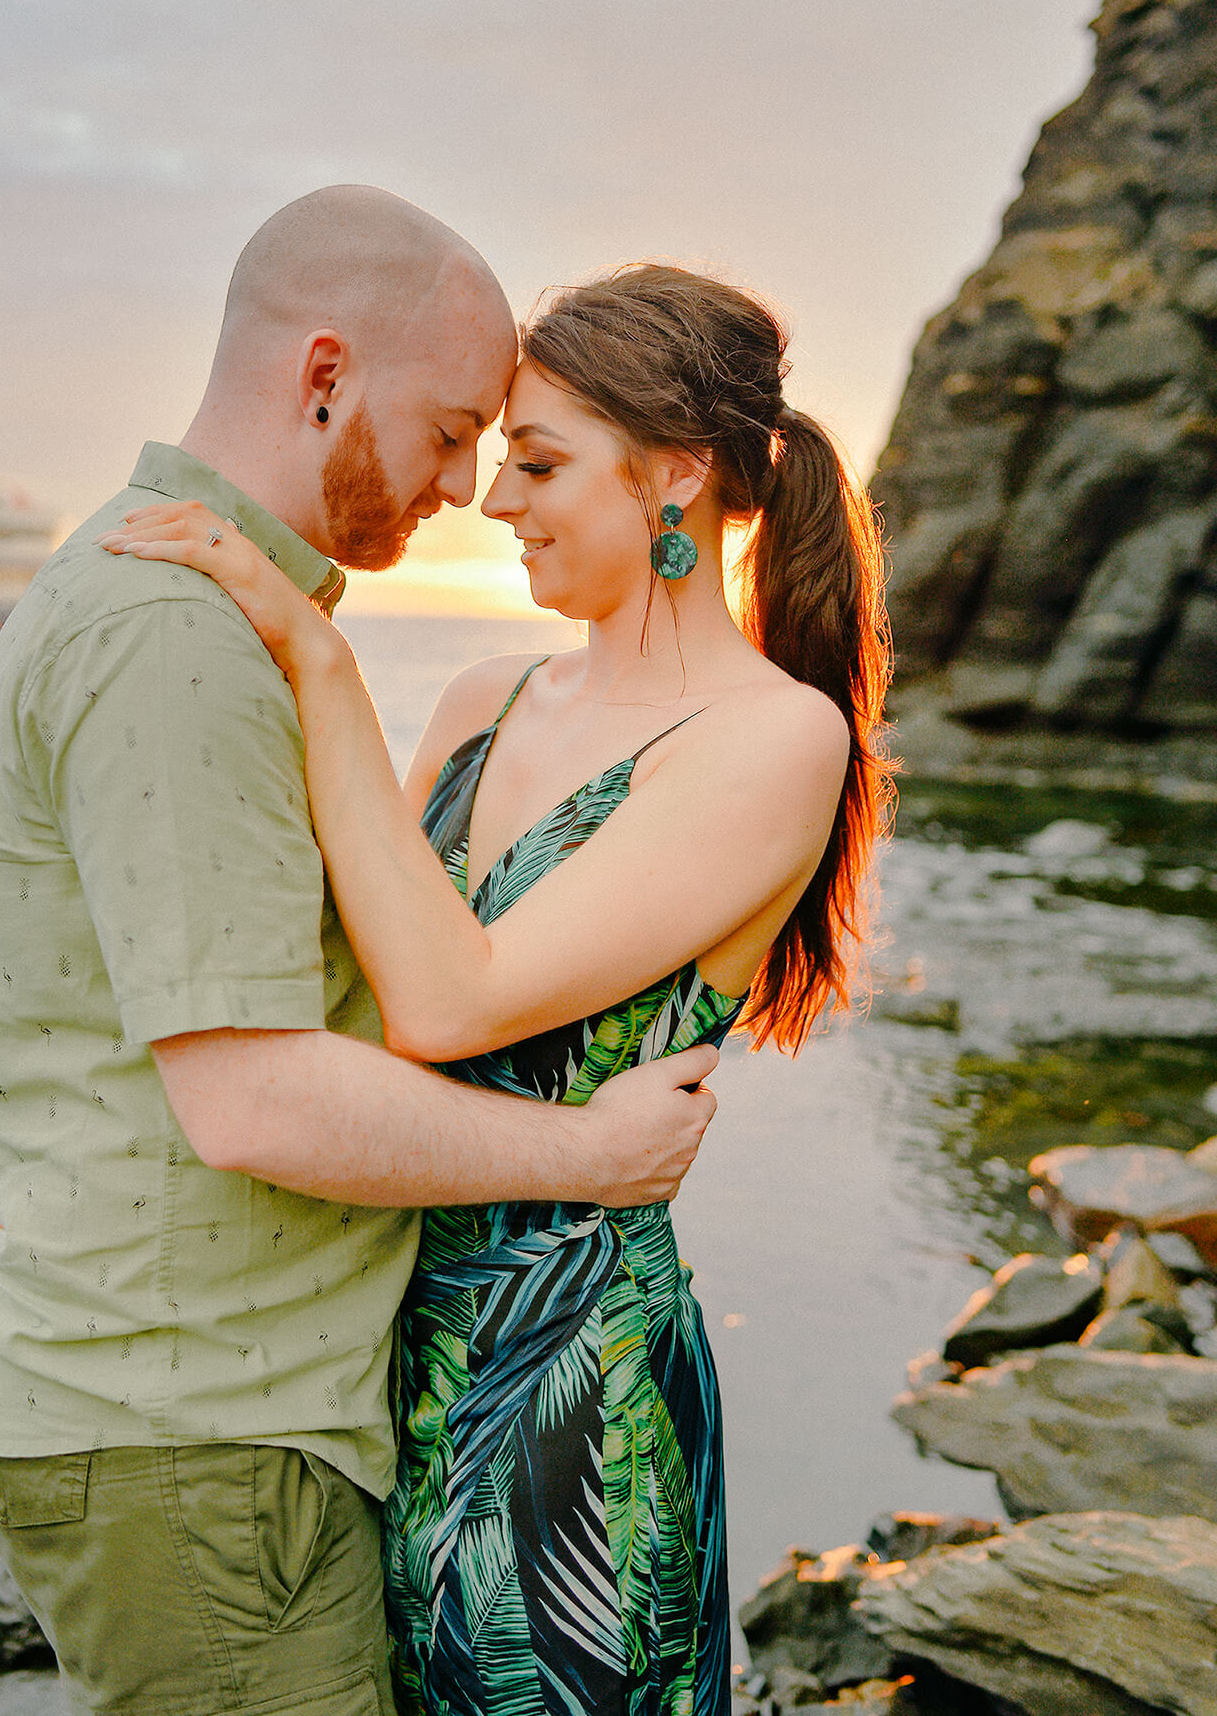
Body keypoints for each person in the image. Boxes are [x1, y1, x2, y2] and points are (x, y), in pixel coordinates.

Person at [0, 191, 720, 1716]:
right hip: (190, 1436)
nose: (462, 483)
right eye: (448, 428)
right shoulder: (174, 635)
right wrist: (589, 1154)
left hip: (208, 1419)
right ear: (325, 376)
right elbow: (254, 1103)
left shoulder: (230, 617)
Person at [100, 261, 894, 1716]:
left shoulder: (773, 740)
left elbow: (447, 1006)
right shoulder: (484, 700)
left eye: (536, 461)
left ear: (676, 479)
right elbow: (349, 972)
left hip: (572, 1393)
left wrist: (318, 656)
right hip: (379, 1344)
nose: (491, 496)